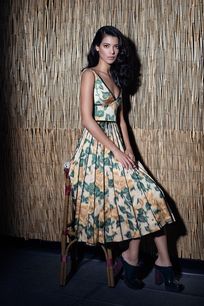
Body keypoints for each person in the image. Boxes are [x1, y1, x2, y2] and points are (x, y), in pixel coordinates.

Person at [69, 26, 183, 292]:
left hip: (118, 145)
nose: (112, 51)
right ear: (97, 47)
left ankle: (148, 260)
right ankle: (154, 263)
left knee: (151, 196)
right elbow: (87, 120)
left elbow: (121, 121)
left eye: (116, 47)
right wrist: (116, 151)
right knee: (139, 198)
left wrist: (129, 150)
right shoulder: (90, 75)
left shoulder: (116, 78)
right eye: (106, 46)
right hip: (96, 149)